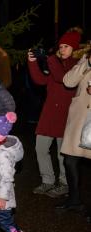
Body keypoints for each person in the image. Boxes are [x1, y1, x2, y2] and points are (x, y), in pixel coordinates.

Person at [28, 28, 81, 197]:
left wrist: (50, 59)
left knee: (61, 154)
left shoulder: (77, 66)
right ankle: (47, 180)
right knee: (40, 148)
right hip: (49, 114)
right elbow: (41, 80)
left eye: (66, 46)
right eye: (61, 46)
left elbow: (61, 77)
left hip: (67, 116)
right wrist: (33, 62)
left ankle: (64, 183)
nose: (62, 49)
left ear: (74, 48)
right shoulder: (55, 62)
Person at [57, 48, 91, 213]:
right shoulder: (85, 58)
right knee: (69, 160)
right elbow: (68, 81)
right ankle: (74, 199)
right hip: (79, 118)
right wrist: (87, 63)